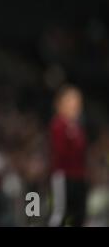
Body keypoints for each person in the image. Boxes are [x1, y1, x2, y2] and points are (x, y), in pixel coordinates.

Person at [48, 85, 88, 227]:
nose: (75, 105)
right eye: (71, 100)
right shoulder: (58, 124)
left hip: (79, 177)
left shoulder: (78, 127)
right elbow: (61, 151)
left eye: (77, 101)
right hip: (63, 176)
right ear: (61, 103)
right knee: (60, 213)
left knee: (79, 215)